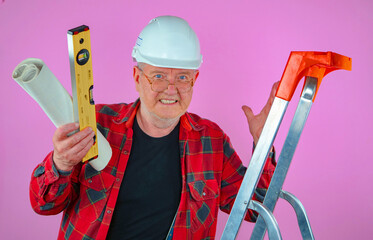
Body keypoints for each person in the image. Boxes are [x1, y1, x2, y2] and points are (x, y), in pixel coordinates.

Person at [29, 16, 277, 240]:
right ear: (137, 78)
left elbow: (257, 208)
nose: (171, 89)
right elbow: (44, 204)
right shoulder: (95, 125)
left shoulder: (211, 140)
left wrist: (264, 143)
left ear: (194, 80)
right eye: (158, 76)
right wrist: (61, 162)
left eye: (182, 77)